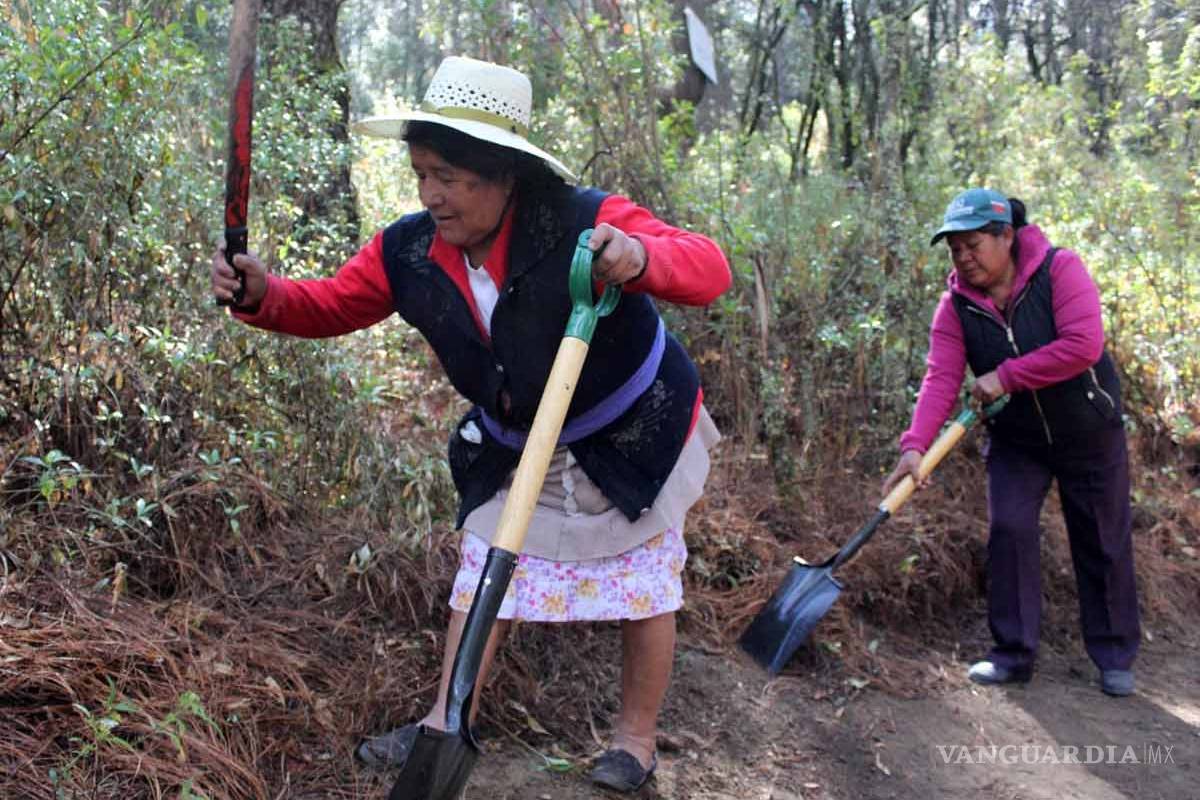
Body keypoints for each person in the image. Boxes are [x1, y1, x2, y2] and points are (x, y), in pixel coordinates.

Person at [210, 55, 730, 791]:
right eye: (421, 172)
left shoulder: (580, 218)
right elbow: (330, 306)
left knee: (643, 582)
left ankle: (635, 743)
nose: (430, 194)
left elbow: (709, 268)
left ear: (504, 175)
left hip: (631, 428)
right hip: (521, 439)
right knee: (484, 573)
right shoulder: (411, 249)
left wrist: (639, 256)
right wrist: (264, 295)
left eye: (449, 178)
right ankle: (445, 725)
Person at [882, 188, 1140, 697]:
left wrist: (1008, 375)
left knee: (1102, 539)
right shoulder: (956, 304)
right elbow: (940, 377)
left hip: (1088, 430)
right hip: (1018, 439)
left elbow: (1083, 344)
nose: (964, 258)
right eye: (955, 248)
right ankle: (1012, 655)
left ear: (1006, 236)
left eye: (973, 244)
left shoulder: (1060, 270)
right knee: (1009, 531)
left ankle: (1114, 654)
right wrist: (914, 445)